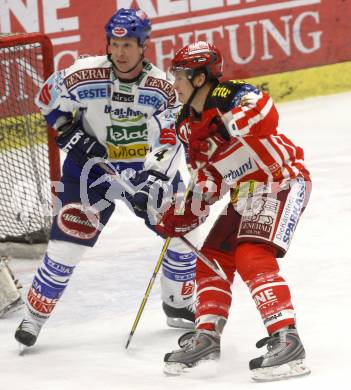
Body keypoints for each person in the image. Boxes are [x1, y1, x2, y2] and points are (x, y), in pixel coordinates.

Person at [14, 8, 198, 348]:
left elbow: (170, 139)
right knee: (67, 244)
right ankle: (34, 316)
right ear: (107, 44)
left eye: (128, 44)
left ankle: (179, 302)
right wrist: (69, 133)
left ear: (143, 45)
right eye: (115, 44)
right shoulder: (82, 74)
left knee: (184, 229)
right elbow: (46, 99)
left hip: (143, 171)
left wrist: (155, 181)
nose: (121, 52)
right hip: (89, 173)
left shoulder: (162, 88)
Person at [156, 41, 312, 381]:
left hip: (280, 179)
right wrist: (187, 213)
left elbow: (265, 111)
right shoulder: (186, 124)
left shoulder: (230, 95)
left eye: (179, 76)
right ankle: (207, 335)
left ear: (199, 78)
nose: (174, 83)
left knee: (251, 252)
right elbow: (209, 175)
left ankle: (287, 337)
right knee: (212, 256)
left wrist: (228, 127)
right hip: (246, 192)